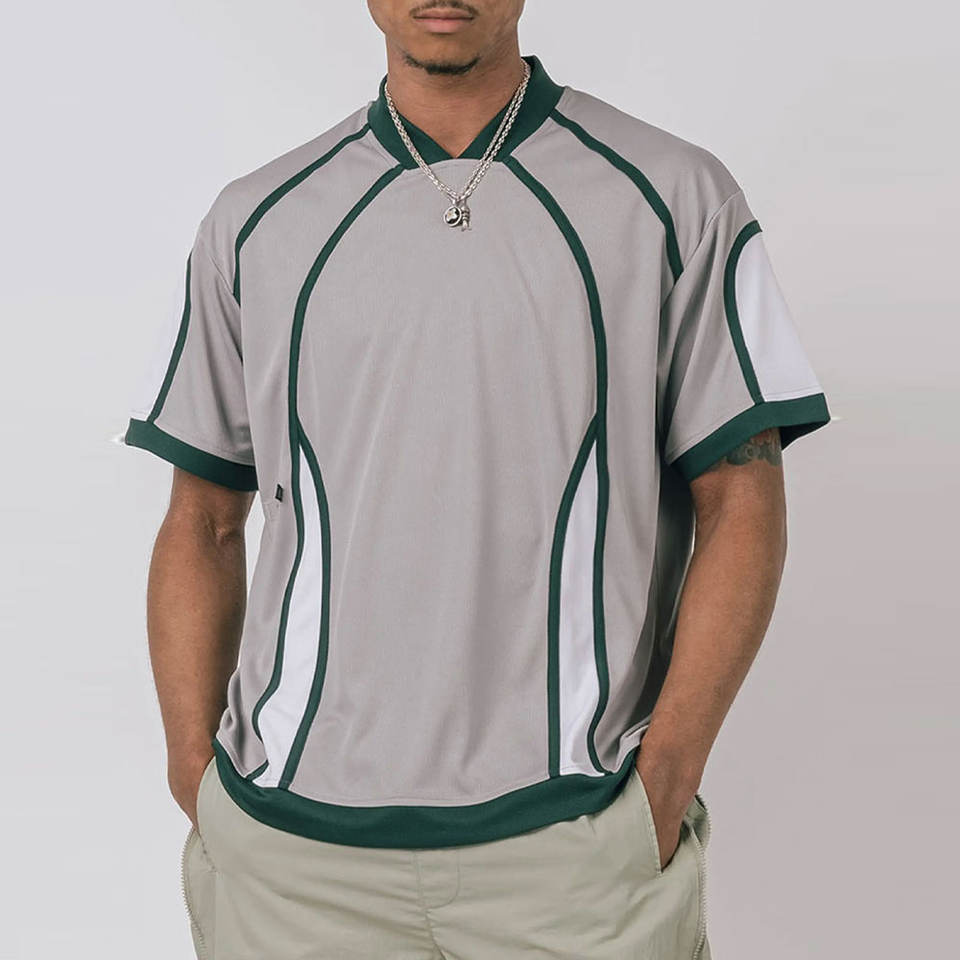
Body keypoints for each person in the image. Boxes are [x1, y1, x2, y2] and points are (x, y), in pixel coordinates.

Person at [122, 1, 832, 956]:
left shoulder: (674, 195)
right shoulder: (256, 220)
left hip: (575, 852)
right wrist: (196, 775)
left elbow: (742, 497)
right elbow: (203, 518)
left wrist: (666, 777)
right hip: (294, 862)